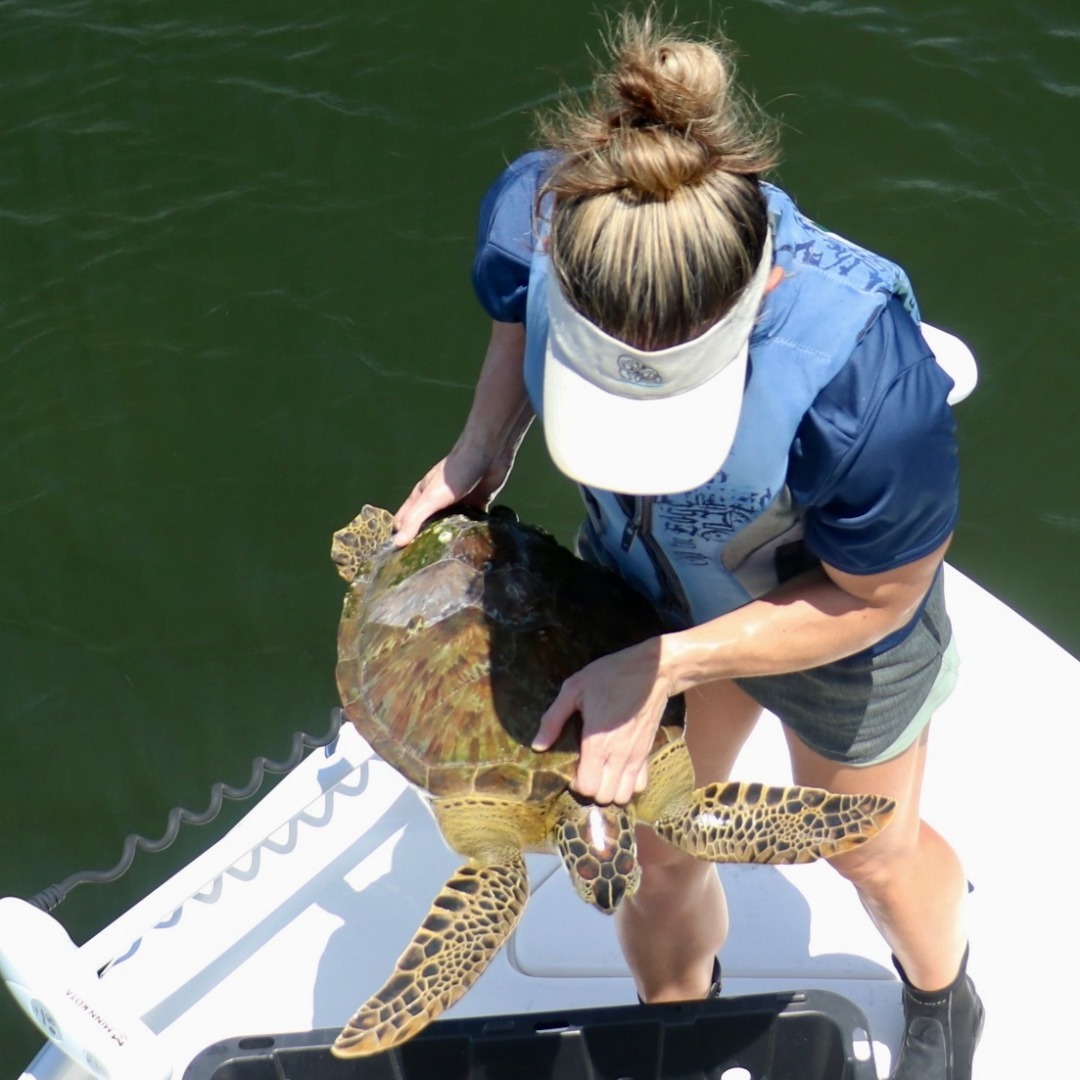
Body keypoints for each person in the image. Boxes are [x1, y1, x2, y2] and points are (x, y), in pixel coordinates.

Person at [391, 12, 982, 1080]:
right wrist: (483, 443)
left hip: (828, 619)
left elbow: (880, 596)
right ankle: (681, 1027)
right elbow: (514, 315)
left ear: (757, 292)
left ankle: (944, 995)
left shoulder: (868, 380)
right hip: (640, 583)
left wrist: (661, 664)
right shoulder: (535, 214)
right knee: (652, 851)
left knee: (869, 849)